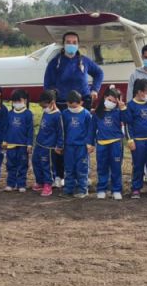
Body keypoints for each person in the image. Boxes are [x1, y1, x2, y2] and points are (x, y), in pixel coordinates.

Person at [43, 31, 104, 187]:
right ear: (63, 44)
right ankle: (59, 175)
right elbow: (48, 84)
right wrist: (52, 101)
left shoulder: (84, 61)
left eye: (74, 41)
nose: (71, 44)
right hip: (62, 105)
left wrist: (95, 88)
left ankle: (82, 174)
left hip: (82, 104)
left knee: (83, 139)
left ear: (78, 44)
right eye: (68, 41)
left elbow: (99, 73)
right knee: (61, 139)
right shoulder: (55, 62)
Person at [93, 86, 126, 200]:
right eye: (109, 100)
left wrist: (123, 109)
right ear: (105, 97)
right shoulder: (97, 113)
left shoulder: (118, 111)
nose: (111, 103)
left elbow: (128, 120)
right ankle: (102, 189)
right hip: (102, 143)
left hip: (116, 143)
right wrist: (90, 143)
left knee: (116, 167)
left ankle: (116, 189)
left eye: (114, 101)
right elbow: (91, 129)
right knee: (102, 167)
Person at [60, 91, 94, 198]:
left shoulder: (86, 114)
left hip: (82, 147)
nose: (72, 108)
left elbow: (91, 130)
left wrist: (90, 143)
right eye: (70, 106)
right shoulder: (65, 114)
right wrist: (60, 144)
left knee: (82, 168)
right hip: (69, 146)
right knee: (69, 168)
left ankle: (82, 189)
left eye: (74, 106)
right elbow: (62, 130)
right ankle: (68, 188)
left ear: (81, 102)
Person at [33, 90, 63, 197]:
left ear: (52, 102)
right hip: (39, 143)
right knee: (36, 162)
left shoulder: (58, 115)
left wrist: (59, 146)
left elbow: (61, 132)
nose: (43, 108)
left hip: (49, 146)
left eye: (44, 105)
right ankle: (40, 181)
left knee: (47, 166)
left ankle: (48, 184)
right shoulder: (46, 112)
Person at [3, 89, 34, 192]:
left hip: (23, 145)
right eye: (14, 101)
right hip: (11, 144)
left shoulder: (28, 114)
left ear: (25, 100)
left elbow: (30, 130)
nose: (16, 103)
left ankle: (21, 184)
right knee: (11, 164)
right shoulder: (10, 114)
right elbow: (6, 128)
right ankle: (10, 183)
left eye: (19, 101)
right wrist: (4, 141)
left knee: (22, 165)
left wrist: (29, 144)